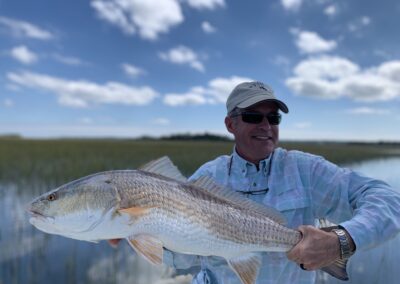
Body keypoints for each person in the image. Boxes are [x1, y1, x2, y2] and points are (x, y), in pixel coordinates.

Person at [110, 81, 400, 283]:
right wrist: (139, 231)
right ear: (230, 124)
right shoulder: (207, 177)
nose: (266, 126)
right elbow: (186, 257)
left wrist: (342, 240)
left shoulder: (305, 169)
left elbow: (388, 200)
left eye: (273, 117)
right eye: (253, 116)